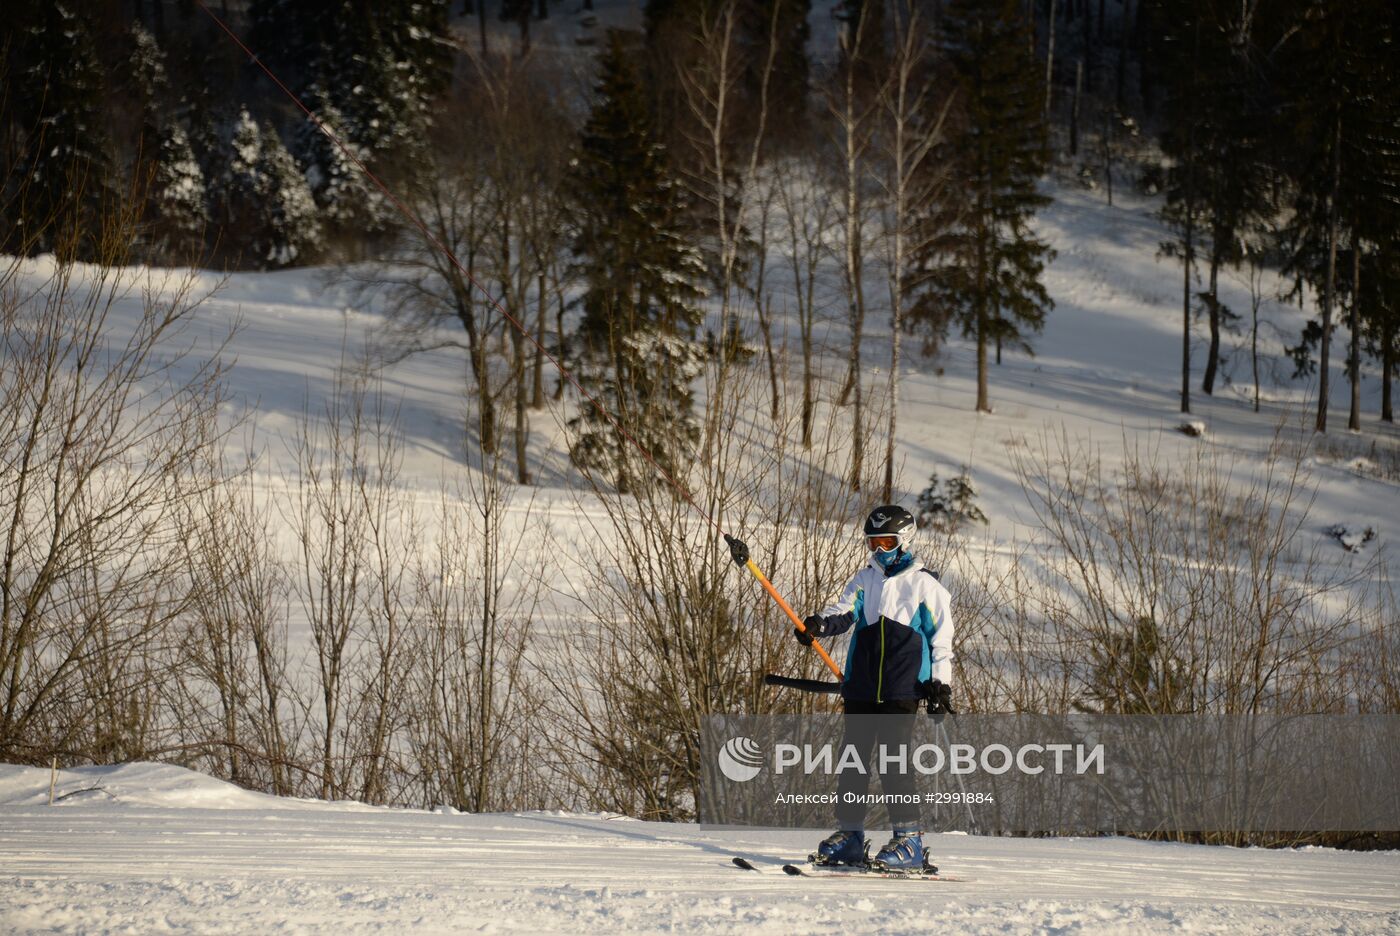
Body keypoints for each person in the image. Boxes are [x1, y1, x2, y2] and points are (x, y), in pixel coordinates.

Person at [795, 504, 954, 871]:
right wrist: (817, 625)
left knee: (893, 762)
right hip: (862, 687)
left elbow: (941, 642)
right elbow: (843, 611)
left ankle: (909, 841)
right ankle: (850, 837)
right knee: (853, 762)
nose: (878, 551)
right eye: (872, 543)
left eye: (885, 542)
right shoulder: (865, 579)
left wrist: (940, 687)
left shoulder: (924, 585)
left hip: (903, 688)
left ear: (904, 540)